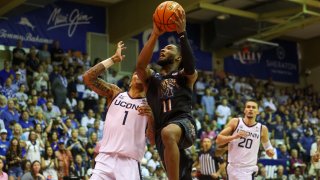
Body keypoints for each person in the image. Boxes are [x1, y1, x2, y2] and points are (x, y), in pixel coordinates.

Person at [136, 8, 197, 180]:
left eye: (169, 48)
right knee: (178, 170)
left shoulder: (184, 76)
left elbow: (191, 66)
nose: (163, 50)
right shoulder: (152, 79)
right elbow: (140, 66)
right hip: (161, 131)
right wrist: (154, 34)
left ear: (178, 58)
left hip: (184, 124)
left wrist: (182, 33)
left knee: (168, 133)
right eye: (162, 48)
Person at [83, 41, 154, 180]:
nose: (139, 74)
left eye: (144, 73)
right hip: (105, 159)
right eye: (136, 72)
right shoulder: (115, 93)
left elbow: (152, 140)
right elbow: (88, 78)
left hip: (129, 162)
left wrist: (151, 117)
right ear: (130, 79)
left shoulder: (151, 106)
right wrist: (113, 59)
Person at [216, 99, 275, 180]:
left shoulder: (262, 128)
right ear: (244, 110)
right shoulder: (235, 122)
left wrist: (270, 151)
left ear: (257, 111)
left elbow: (268, 146)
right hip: (232, 166)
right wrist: (234, 136)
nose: (250, 109)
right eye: (248, 107)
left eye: (253, 107)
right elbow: (218, 140)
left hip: (248, 169)